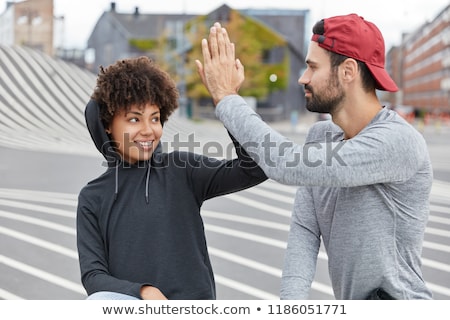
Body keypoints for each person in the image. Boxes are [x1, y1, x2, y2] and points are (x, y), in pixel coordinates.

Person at [196, 15, 433, 299]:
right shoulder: (320, 137)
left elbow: (286, 163)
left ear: (347, 71)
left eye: (312, 67)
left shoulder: (397, 142)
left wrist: (226, 98)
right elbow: (305, 231)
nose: (302, 78)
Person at [76, 56, 267, 300]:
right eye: (134, 118)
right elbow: (93, 276)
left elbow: (256, 168)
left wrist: (227, 99)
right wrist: (143, 291)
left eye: (155, 118)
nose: (148, 130)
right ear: (106, 124)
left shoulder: (181, 169)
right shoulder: (93, 197)